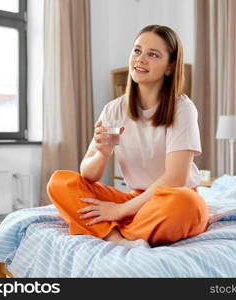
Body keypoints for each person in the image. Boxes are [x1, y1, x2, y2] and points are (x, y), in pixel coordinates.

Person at [47, 24, 208, 248]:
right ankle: (117, 239)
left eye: (153, 54)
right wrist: (103, 154)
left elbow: (176, 179)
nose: (140, 59)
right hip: (136, 201)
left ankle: (114, 230)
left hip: (169, 201)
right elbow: (88, 174)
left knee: (186, 203)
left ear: (170, 67)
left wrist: (120, 210)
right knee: (60, 182)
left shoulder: (182, 108)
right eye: (137, 50)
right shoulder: (114, 110)